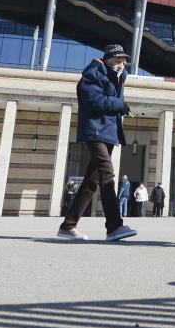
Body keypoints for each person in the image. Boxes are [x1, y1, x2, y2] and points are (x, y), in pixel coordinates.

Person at [56, 44, 137, 242]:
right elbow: (92, 100)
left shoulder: (116, 78)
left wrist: (121, 109)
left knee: (91, 181)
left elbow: (109, 102)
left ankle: (68, 226)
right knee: (107, 174)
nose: (121, 65)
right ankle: (114, 226)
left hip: (107, 132)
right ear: (108, 60)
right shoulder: (94, 73)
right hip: (95, 130)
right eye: (117, 61)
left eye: (124, 61)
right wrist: (120, 105)